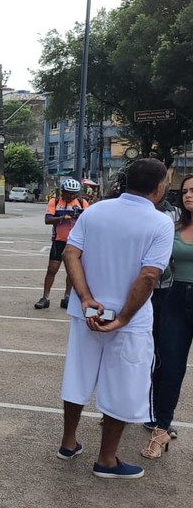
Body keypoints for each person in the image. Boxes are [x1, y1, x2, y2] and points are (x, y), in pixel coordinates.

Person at [58, 158, 173, 479]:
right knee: (123, 384)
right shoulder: (160, 223)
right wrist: (122, 318)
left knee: (77, 375)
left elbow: (71, 253)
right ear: (160, 187)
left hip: (89, 313)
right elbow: (149, 276)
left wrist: (85, 298)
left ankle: (68, 443)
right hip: (129, 321)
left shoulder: (95, 211)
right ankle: (107, 460)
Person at [144, 174, 193, 459]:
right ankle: (161, 430)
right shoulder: (172, 227)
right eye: (185, 191)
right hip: (174, 299)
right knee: (170, 367)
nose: (188, 195)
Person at [35, 179, 89, 310]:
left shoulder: (82, 203)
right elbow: (47, 220)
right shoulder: (55, 202)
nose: (71, 196)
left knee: (72, 271)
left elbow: (89, 220)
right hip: (59, 240)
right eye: (68, 193)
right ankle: (45, 297)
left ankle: (67, 296)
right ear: (62, 192)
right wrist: (61, 218)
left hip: (75, 243)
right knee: (52, 269)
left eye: (74, 194)